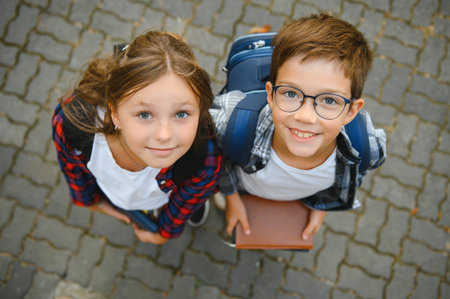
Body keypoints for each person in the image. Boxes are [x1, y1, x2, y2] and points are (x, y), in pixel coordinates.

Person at [211, 14, 386, 241]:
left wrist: (322, 206)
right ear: (270, 95)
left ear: (352, 111)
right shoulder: (230, 125)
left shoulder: (367, 146)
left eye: (330, 100)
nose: (305, 117)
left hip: (302, 196)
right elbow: (219, 159)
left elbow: (355, 174)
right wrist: (231, 197)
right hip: (243, 187)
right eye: (291, 94)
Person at [52, 31, 221, 245]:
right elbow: (71, 167)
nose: (164, 135)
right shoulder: (77, 125)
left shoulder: (201, 157)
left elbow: (190, 196)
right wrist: (89, 200)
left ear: (200, 111)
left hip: (166, 195)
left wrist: (164, 232)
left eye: (181, 114)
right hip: (114, 193)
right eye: (144, 114)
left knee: (186, 202)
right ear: (115, 114)